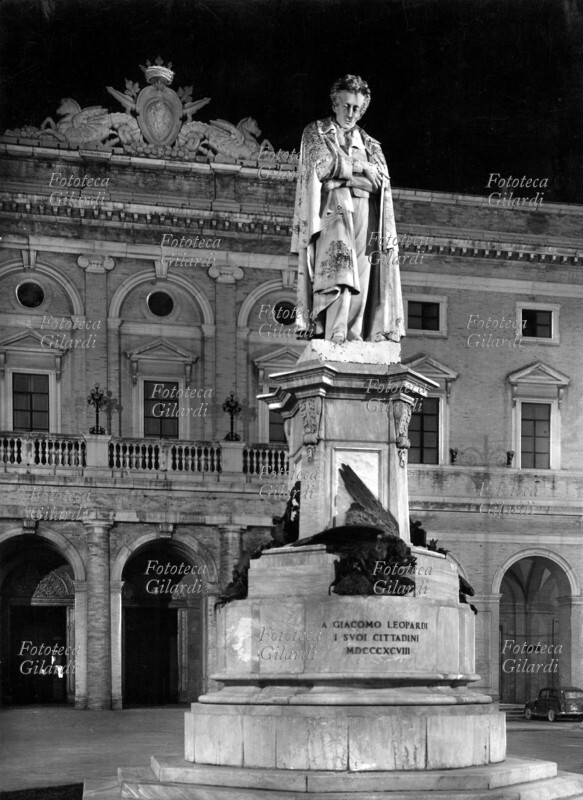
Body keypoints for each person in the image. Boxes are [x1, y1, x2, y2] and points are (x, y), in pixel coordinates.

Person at [291, 74, 405, 344]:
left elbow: (380, 183)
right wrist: (361, 167)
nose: (351, 113)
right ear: (335, 103)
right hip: (334, 209)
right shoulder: (315, 132)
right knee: (338, 270)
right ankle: (335, 332)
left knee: (363, 275)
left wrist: (345, 173)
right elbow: (321, 165)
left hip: (366, 209)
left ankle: (354, 335)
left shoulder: (372, 145)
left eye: (357, 108)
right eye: (346, 106)